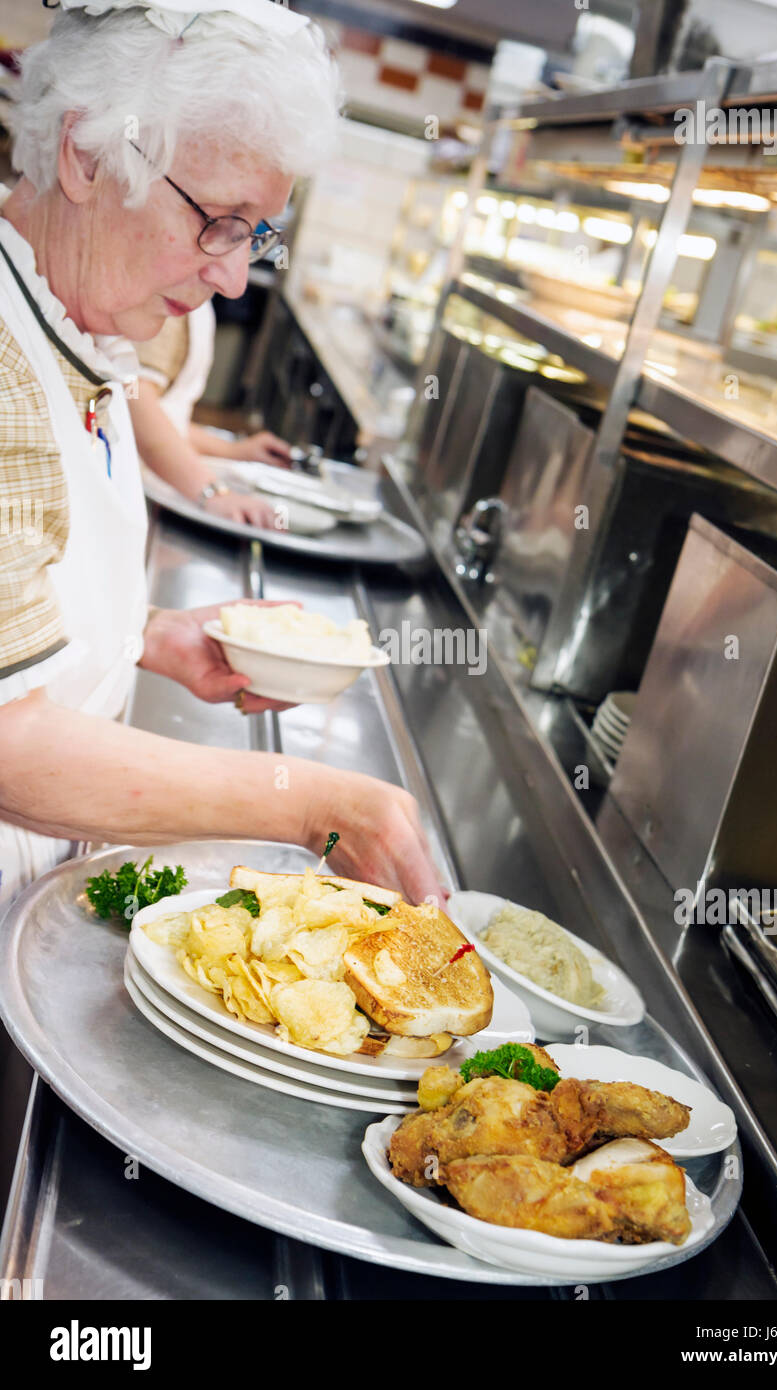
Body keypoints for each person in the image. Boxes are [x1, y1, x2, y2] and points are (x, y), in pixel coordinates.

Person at [0, 0, 445, 911]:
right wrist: (308, 802)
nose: (234, 276)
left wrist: (151, 638)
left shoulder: (77, 333)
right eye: (221, 218)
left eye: (256, 232)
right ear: (85, 156)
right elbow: (7, 740)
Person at [131, 301, 290, 528]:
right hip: (136, 491)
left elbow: (169, 419)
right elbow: (136, 403)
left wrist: (234, 451)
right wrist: (212, 493)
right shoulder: (175, 292)